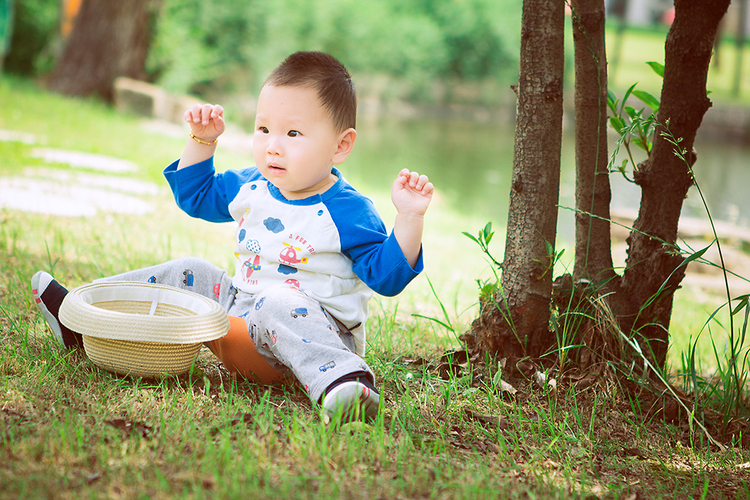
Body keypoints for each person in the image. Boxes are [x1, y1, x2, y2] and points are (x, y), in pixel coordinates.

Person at [31, 51, 434, 422]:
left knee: (280, 301)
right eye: (264, 128)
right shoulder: (253, 184)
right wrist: (202, 142)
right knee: (190, 270)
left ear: (340, 146)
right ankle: (81, 317)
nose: (273, 146)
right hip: (237, 319)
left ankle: (344, 386)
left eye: (293, 134)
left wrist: (410, 218)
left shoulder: (347, 210)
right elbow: (197, 195)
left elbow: (388, 276)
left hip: (307, 344)